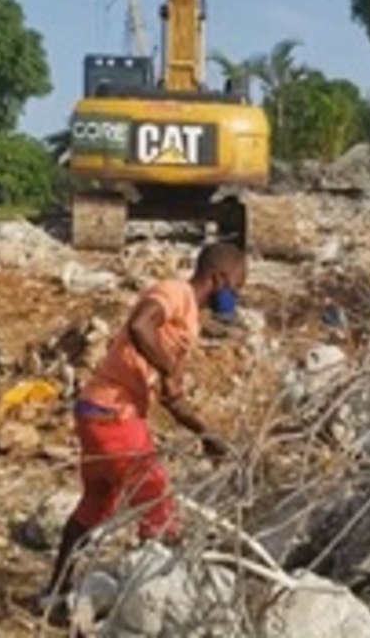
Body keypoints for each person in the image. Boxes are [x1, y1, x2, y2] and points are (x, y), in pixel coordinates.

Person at [38, 241, 246, 608]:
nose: (235, 297)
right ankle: (152, 605)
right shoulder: (175, 293)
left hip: (96, 412)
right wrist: (168, 366)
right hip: (115, 414)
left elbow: (171, 396)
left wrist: (208, 436)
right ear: (218, 278)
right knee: (159, 508)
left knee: (95, 504)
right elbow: (139, 325)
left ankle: (55, 592)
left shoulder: (188, 324)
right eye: (236, 287)